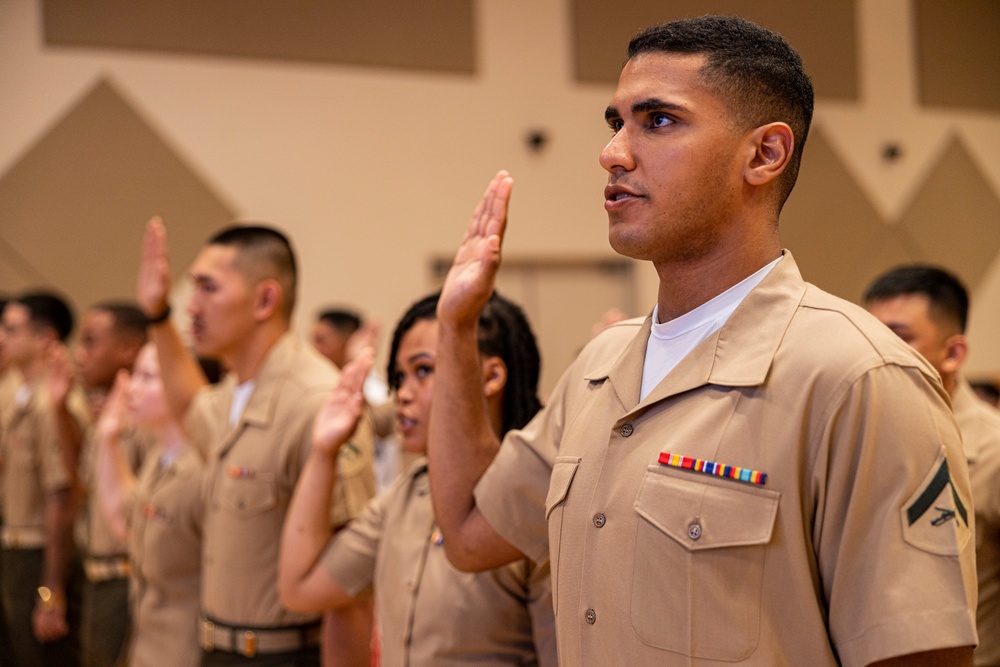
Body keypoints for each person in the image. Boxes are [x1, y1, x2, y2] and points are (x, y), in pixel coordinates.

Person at [427, 16, 978, 666]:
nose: (614, 152)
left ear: (765, 154)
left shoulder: (856, 376)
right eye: (616, 123)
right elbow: (467, 530)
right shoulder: (601, 368)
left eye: (657, 121)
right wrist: (455, 328)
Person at [137, 219, 376, 665]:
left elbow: (351, 586)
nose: (192, 306)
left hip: (282, 653)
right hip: (216, 647)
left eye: (209, 289)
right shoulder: (235, 392)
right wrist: (158, 316)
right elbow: (191, 406)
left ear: (265, 299)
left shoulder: (317, 403)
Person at [280, 292, 557, 667]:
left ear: (491, 376)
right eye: (399, 377)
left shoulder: (533, 501)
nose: (402, 396)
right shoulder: (405, 496)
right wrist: (323, 452)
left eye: (424, 370)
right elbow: (301, 588)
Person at [865, 265, 1000, 666]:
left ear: (953, 353)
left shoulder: (992, 452)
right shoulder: (864, 434)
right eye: (869, 336)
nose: (875, 352)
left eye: (898, 337)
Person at [95, 343, 203, 667]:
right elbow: (124, 520)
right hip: (147, 646)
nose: (132, 389)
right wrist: (108, 439)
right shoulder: (162, 457)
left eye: (148, 377)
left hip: (187, 651)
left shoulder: (202, 467)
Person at [0, 291, 86, 666]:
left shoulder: (52, 404)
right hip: (15, 549)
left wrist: (51, 589)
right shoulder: (17, 396)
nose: (1, 337)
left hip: (40, 552)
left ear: (45, 338)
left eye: (12, 329)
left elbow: (61, 498)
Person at [69, 301, 149, 667]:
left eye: (90, 342)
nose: (79, 354)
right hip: (96, 574)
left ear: (129, 348)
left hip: (128, 578)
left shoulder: (148, 419)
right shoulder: (102, 415)